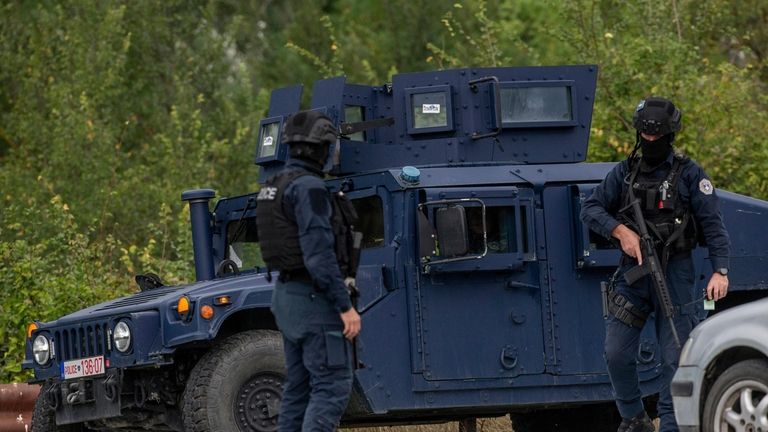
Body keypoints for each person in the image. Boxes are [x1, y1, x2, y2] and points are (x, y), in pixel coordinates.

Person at [581, 97, 730, 432]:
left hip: (675, 273)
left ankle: (672, 427)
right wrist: (621, 232)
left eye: (656, 138)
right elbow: (590, 209)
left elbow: (714, 226)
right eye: (645, 138)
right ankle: (633, 418)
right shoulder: (624, 172)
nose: (650, 143)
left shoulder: (690, 174)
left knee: (675, 357)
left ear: (669, 136)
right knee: (615, 352)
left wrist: (720, 271)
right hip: (634, 275)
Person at [255, 110, 362, 431]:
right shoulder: (310, 188)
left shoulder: (273, 187)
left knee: (297, 391)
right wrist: (345, 307)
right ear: (320, 149)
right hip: (315, 301)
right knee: (331, 385)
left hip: (287, 300)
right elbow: (318, 256)